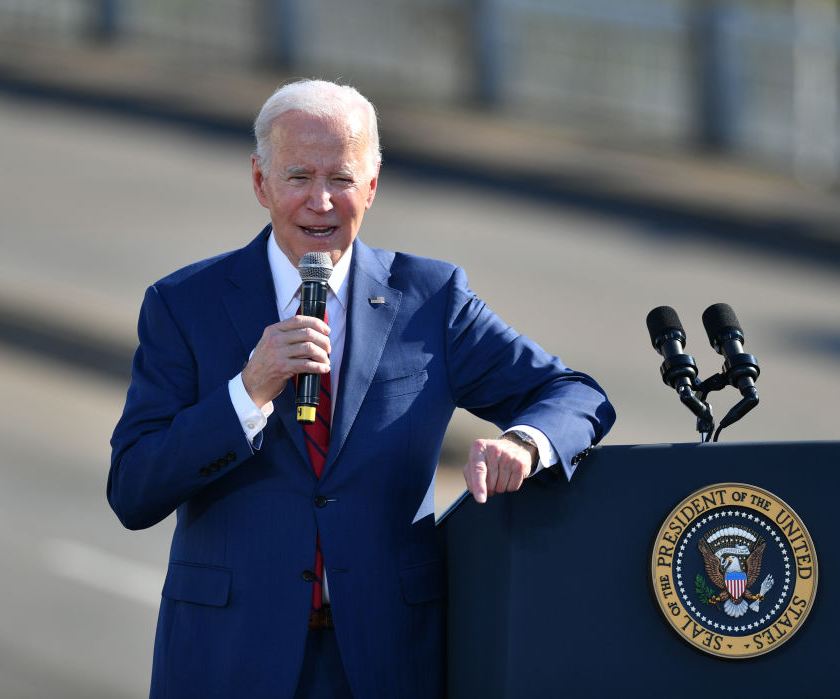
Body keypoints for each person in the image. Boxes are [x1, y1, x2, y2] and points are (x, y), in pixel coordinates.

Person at [108, 78, 615, 699]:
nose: (321, 201)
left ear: (371, 187)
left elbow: (574, 394)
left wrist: (527, 443)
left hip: (388, 658)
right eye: (298, 177)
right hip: (228, 657)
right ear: (260, 182)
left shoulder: (432, 298)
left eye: (341, 179)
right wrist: (247, 392)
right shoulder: (184, 305)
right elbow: (133, 490)